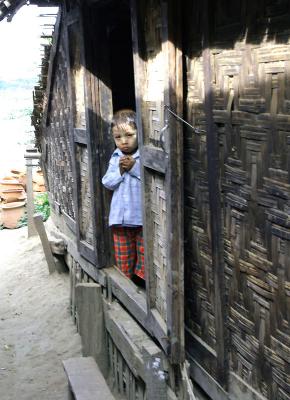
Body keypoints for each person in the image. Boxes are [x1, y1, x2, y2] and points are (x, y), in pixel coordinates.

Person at [102, 109, 144, 282]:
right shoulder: (115, 158)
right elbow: (107, 182)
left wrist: (134, 167)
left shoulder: (145, 156)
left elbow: (150, 180)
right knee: (124, 255)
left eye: (129, 135)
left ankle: (141, 282)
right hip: (120, 218)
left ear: (140, 133)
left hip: (141, 218)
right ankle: (126, 283)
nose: (124, 141)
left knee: (145, 253)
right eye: (118, 137)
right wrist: (119, 171)